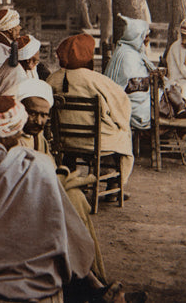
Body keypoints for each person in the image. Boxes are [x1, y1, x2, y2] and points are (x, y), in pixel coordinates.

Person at [0, 95, 135, 303]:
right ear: (8, 131)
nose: (21, 132)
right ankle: (93, 286)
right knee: (58, 231)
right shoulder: (29, 164)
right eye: (18, 127)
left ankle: (94, 286)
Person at [16, 79, 107, 282]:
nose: (38, 121)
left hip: (44, 199)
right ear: (20, 109)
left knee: (76, 198)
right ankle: (91, 278)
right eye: (32, 113)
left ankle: (93, 273)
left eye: (44, 115)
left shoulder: (38, 138)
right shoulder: (13, 139)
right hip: (24, 208)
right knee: (73, 200)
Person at [46, 33, 134, 186]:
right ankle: (114, 182)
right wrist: (120, 124)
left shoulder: (52, 79)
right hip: (96, 141)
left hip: (64, 141)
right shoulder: (98, 80)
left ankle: (69, 176)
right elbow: (122, 106)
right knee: (123, 134)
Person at [104, 15, 156, 130]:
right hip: (128, 105)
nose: (147, 40)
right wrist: (153, 80)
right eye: (145, 36)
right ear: (136, 36)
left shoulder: (128, 49)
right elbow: (134, 87)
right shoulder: (128, 55)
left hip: (126, 98)